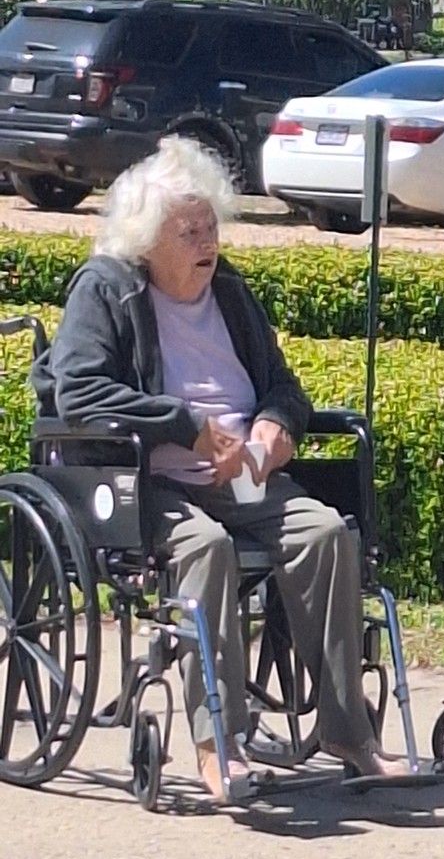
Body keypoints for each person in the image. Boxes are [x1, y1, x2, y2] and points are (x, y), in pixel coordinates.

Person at [34, 138, 401, 803]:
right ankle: (220, 744)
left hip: (241, 476)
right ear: (149, 238)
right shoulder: (108, 289)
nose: (208, 243)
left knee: (325, 532)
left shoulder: (228, 290)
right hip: (146, 482)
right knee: (207, 548)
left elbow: (285, 388)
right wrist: (186, 427)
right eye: (190, 232)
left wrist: (273, 429)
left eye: (212, 227)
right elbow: (79, 389)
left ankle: (348, 731)